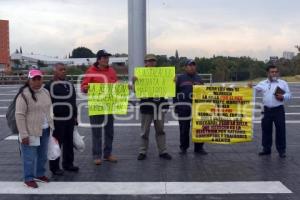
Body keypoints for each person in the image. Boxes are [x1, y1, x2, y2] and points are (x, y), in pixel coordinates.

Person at [15, 69, 54, 188]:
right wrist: (23, 134)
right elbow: (19, 115)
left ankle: (40, 174)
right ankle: (28, 178)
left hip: (45, 129)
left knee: (42, 155)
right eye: (34, 79)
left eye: (39, 79)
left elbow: (49, 108)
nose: (37, 81)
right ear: (29, 80)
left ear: (42, 79)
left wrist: (51, 124)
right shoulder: (24, 95)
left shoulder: (45, 92)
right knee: (29, 158)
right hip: (30, 131)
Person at [81, 49, 118, 165]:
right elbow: (83, 87)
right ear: (99, 59)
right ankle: (97, 156)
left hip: (109, 106)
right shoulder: (90, 71)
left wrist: (120, 87)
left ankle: (108, 154)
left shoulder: (112, 71)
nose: (107, 59)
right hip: (96, 106)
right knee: (96, 132)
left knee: (109, 132)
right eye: (104, 57)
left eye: (108, 57)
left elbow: (115, 84)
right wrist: (86, 88)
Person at [135, 54, 172, 160]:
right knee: (144, 132)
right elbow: (135, 91)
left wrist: (173, 80)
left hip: (160, 107)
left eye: (153, 61)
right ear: (145, 63)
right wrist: (134, 81)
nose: (151, 63)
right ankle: (142, 151)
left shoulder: (163, 74)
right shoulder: (139, 75)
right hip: (146, 107)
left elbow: (170, 88)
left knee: (160, 130)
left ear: (155, 63)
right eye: (149, 61)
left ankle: (163, 151)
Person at [45, 63, 79, 175]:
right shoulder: (49, 86)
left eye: (64, 69)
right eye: (61, 69)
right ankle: (54, 167)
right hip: (57, 120)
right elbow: (46, 104)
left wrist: (75, 116)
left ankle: (68, 164)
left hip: (69, 119)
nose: (63, 71)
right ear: (55, 71)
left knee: (69, 143)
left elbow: (73, 101)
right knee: (56, 144)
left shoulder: (69, 84)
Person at [252, 64, 291, 158]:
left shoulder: (283, 83)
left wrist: (283, 96)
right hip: (266, 110)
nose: (274, 73)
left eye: (276, 72)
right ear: (268, 73)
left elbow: (289, 95)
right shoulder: (262, 83)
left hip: (278, 110)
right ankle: (266, 149)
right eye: (272, 72)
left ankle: (281, 150)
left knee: (281, 130)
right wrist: (249, 87)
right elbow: (252, 91)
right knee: (266, 130)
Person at [174, 59, 208, 155]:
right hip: (183, 108)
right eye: (189, 65)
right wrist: (176, 105)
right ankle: (183, 148)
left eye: (193, 65)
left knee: (198, 128)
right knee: (184, 129)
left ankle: (199, 148)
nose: (192, 67)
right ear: (185, 67)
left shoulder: (199, 79)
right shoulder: (180, 78)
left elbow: (205, 93)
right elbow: (174, 92)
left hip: (197, 108)